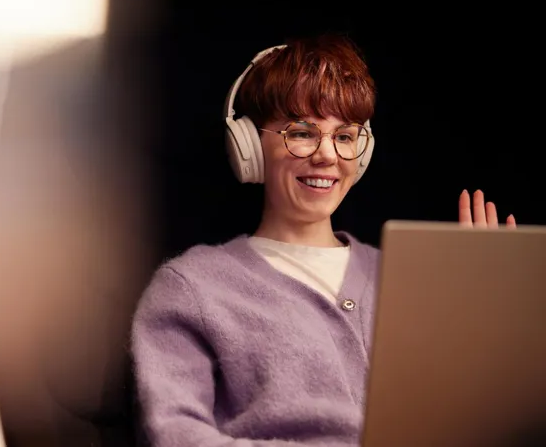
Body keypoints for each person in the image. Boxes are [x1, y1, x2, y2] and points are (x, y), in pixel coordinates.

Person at [130, 34, 516, 447]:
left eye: (345, 136)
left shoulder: (407, 279)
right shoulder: (193, 287)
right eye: (302, 132)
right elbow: (174, 434)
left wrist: (490, 335)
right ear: (249, 147)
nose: (328, 155)